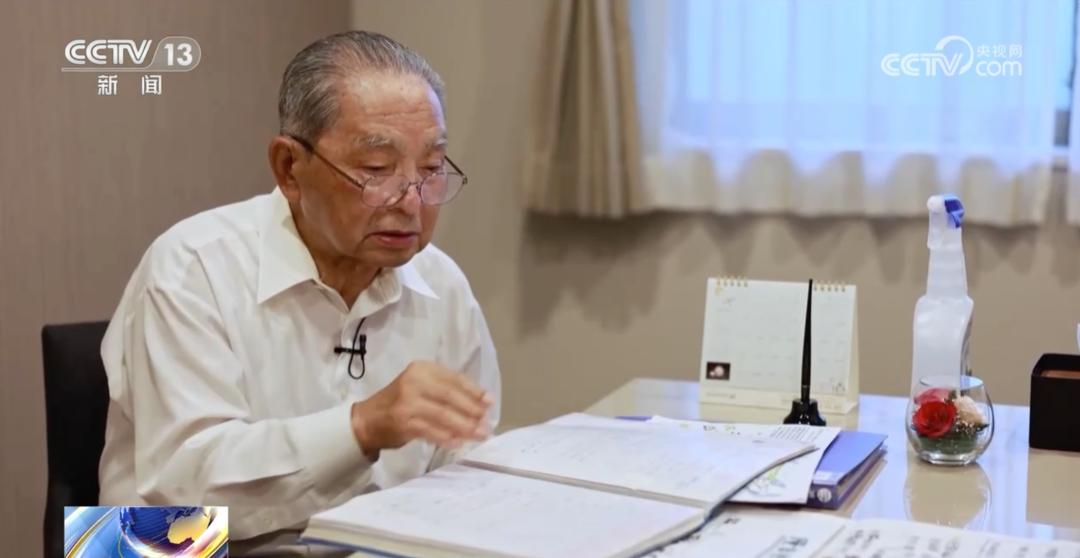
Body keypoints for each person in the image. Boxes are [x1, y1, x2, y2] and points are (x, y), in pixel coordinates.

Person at [97, 30, 500, 553]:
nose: (411, 201)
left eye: (431, 168)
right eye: (377, 170)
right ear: (289, 167)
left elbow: (467, 468)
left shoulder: (442, 284)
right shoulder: (191, 267)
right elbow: (182, 491)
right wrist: (361, 427)